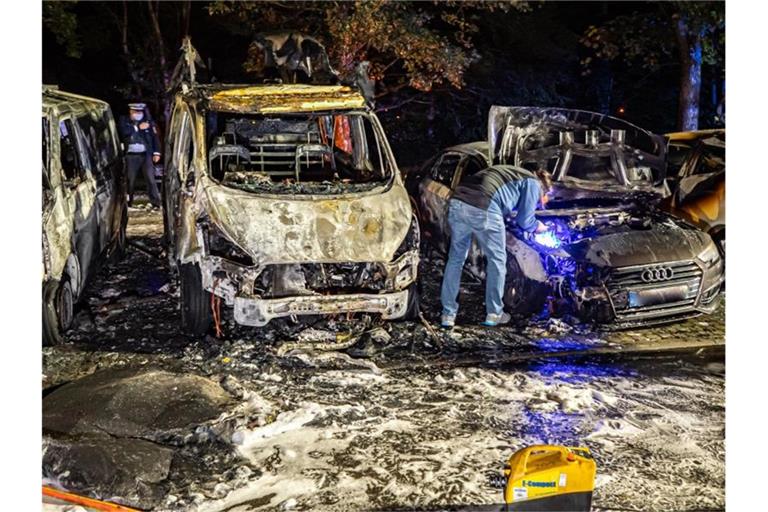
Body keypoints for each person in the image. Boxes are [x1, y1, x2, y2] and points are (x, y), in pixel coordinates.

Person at [440, 165, 552, 328]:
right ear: (544, 188)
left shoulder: (510, 171)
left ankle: (447, 315)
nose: (541, 203)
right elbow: (524, 220)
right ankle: (494, 314)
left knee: (455, 260)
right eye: (544, 199)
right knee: (497, 261)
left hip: (457, 203)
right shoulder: (533, 183)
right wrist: (538, 227)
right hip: (484, 207)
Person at [118, 103, 162, 207]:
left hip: (145, 155)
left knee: (151, 179)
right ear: (130, 112)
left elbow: (154, 137)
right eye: (135, 112)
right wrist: (137, 127)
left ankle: (156, 202)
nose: (138, 114)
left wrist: (156, 152)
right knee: (130, 180)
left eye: (140, 112)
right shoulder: (124, 121)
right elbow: (124, 132)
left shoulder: (148, 122)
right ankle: (128, 202)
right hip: (131, 155)